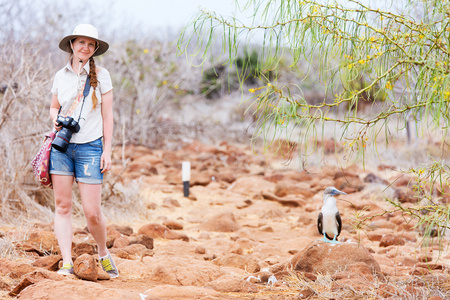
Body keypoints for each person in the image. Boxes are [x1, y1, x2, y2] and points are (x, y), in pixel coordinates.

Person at [49, 24, 118, 278]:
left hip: (91, 146)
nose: (85, 48)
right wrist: (56, 120)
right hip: (62, 146)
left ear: (95, 48)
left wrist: (107, 150)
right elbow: (53, 107)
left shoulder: (102, 74)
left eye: (91, 44)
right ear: (72, 44)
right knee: (63, 206)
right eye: (81, 43)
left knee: (92, 212)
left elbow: (107, 115)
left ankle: (102, 252)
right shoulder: (60, 76)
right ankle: (67, 261)